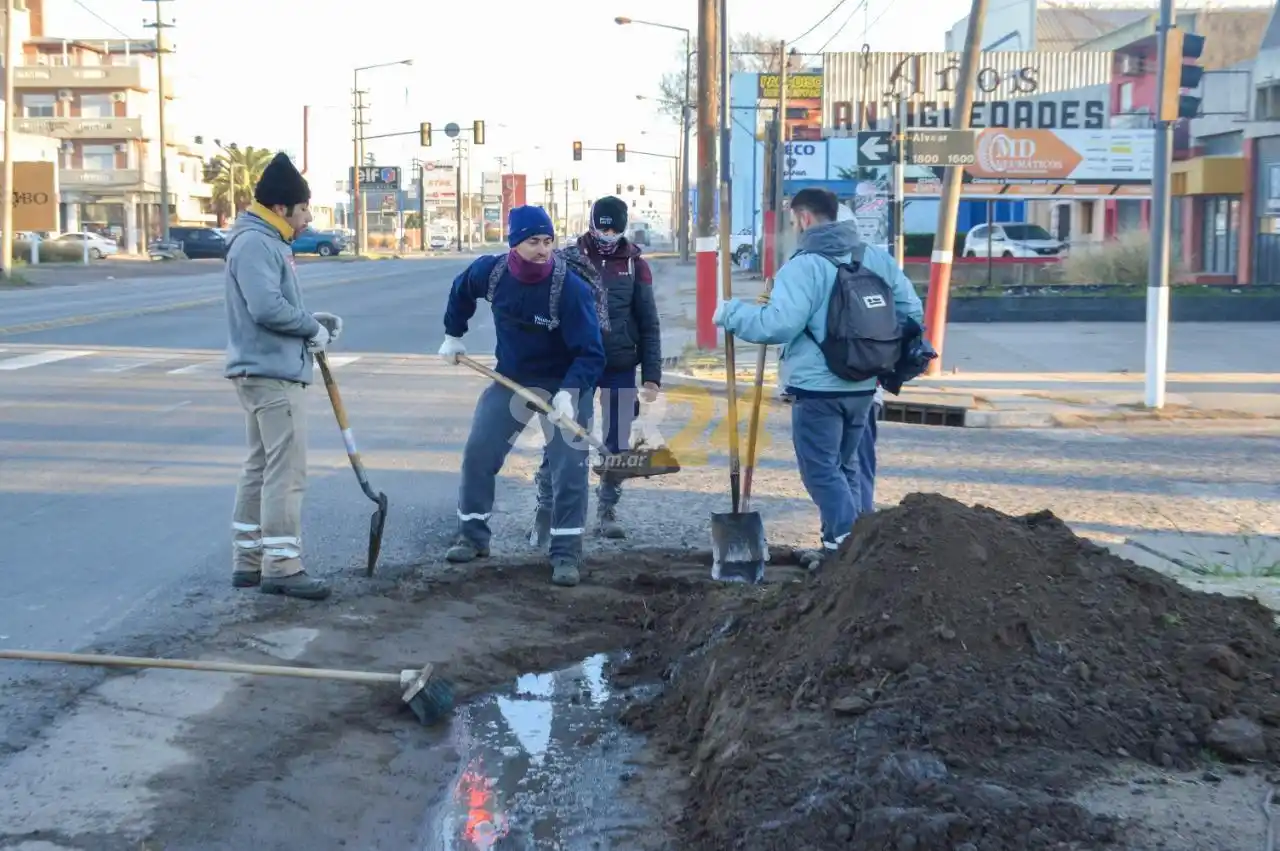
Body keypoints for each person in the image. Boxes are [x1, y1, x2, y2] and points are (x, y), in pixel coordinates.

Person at [713, 188, 922, 562]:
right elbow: (910, 312)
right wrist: (876, 353)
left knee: (822, 472)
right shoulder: (875, 257)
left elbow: (777, 326)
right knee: (846, 468)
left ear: (805, 218)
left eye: (794, 221)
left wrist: (731, 313)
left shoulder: (803, 266)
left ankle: (846, 548)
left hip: (817, 389)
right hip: (864, 387)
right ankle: (847, 549)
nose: (794, 227)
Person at [437, 205, 606, 587]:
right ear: (515, 244)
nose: (543, 249)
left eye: (548, 241)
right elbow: (461, 290)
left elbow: (592, 352)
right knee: (479, 452)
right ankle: (473, 537)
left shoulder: (570, 290)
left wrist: (569, 393)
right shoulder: (491, 272)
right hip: (512, 379)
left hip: (564, 382)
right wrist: (453, 334)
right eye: (534, 242)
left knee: (569, 468)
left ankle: (565, 554)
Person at [225, 152, 341, 601]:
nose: (308, 217)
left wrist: (315, 320)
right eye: (304, 208)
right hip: (271, 373)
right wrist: (310, 329)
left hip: (262, 368)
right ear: (281, 209)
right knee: (285, 471)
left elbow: (272, 304)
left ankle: (248, 561)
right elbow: (266, 307)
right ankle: (282, 566)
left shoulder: (264, 239)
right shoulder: (257, 243)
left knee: (259, 465)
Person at [530, 196, 662, 542]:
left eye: (613, 227)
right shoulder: (568, 260)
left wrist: (652, 376)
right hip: (577, 363)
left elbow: (649, 322)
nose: (606, 232)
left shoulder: (636, 265)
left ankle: (607, 510)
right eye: (601, 225)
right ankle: (546, 508)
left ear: (622, 227)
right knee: (566, 436)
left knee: (616, 441)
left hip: (619, 363)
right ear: (591, 224)